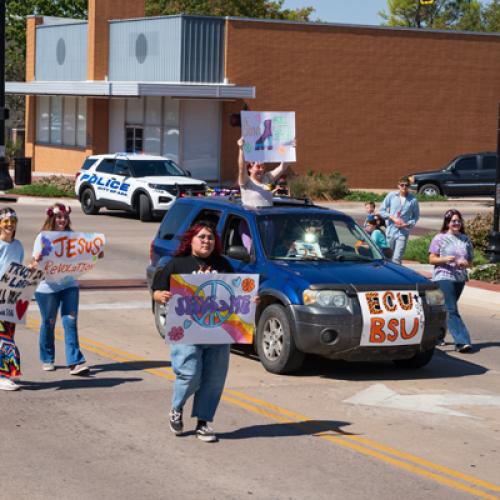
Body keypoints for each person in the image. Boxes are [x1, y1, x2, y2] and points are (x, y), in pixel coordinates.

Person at [151, 221, 234, 443]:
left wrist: (248, 300)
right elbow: (157, 291)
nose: (206, 241)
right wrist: (160, 296)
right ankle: (177, 408)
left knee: (214, 379)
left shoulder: (224, 264)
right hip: (186, 331)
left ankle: (203, 423)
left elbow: (233, 294)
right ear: (191, 240)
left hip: (217, 331)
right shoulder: (177, 264)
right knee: (190, 374)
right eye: (202, 237)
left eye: (210, 237)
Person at [32, 203, 92, 375]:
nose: (62, 220)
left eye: (65, 217)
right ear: (52, 217)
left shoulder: (72, 237)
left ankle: (75, 362)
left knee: (70, 321)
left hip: (69, 285)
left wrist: (94, 254)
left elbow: (82, 256)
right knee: (48, 322)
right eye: (59, 217)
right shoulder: (42, 237)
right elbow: (35, 264)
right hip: (47, 287)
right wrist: (38, 259)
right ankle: (47, 358)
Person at [428, 209, 474, 353]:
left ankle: (436, 336)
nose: (456, 223)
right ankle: (462, 341)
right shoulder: (439, 238)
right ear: (447, 222)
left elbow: (471, 261)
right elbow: (431, 259)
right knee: (452, 309)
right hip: (443, 276)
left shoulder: (465, 239)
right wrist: (444, 259)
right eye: (453, 221)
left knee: (445, 309)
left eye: (459, 221)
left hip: (459, 278)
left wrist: (466, 263)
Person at [0, 208, 25, 391]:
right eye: (5, 221)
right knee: (4, 337)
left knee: (9, 335)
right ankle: (3, 375)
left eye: (12, 221)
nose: (9, 224)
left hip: (12, 298)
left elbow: (19, 271)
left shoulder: (18, 246)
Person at [237, 137, 293, 207]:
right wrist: (241, 149)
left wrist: (289, 149)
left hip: (267, 217)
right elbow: (241, 169)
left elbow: (282, 167)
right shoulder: (246, 182)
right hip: (252, 217)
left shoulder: (266, 178)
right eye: (258, 167)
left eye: (262, 167)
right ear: (250, 169)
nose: (261, 170)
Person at [379, 176, 420, 264]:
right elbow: (381, 210)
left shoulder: (413, 200)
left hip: (403, 232)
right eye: (402, 185)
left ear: (409, 186)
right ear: (398, 186)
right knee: (387, 257)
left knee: (397, 258)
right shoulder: (391, 196)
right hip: (391, 231)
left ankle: (397, 276)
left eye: (406, 185)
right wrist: (392, 218)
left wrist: (407, 224)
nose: (404, 187)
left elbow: (416, 216)